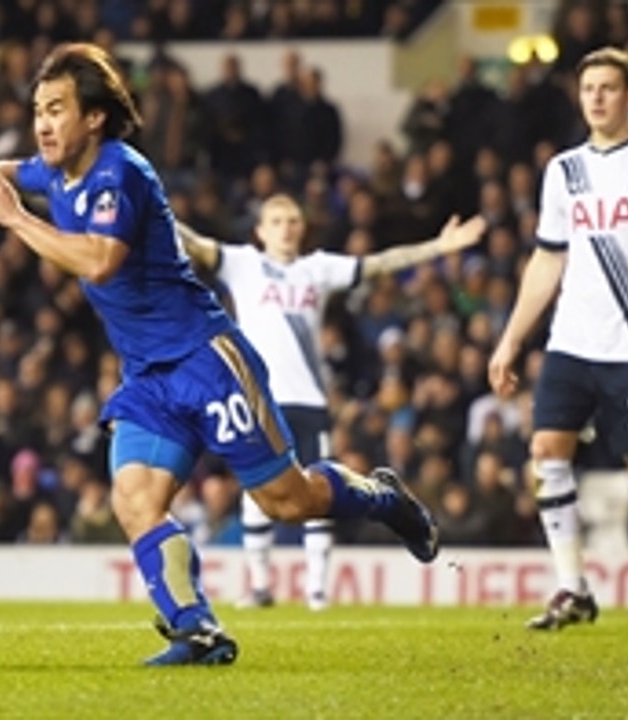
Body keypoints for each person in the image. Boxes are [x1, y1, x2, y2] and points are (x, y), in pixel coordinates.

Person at [0, 42, 439, 666]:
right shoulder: (55, 172)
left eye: (56, 109)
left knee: (285, 501)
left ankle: (382, 498)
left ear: (95, 117)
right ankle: (198, 629)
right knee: (133, 499)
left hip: (206, 358)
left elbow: (101, 261)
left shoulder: (121, 172)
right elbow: (7, 173)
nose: (43, 124)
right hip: (149, 376)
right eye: (37, 111)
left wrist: (18, 222)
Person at [177, 195, 486, 610]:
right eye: (277, 221)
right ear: (260, 230)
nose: (286, 227)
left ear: (302, 228)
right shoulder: (242, 263)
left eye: (293, 220)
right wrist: (149, 201)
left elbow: (378, 264)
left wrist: (437, 248)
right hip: (261, 399)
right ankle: (261, 585)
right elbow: (195, 243)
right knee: (256, 489)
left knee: (316, 489)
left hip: (310, 400)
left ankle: (317, 591)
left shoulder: (317, 269)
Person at [488, 47, 628, 636]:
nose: (598, 98)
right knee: (546, 455)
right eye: (589, 90)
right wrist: (510, 341)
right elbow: (546, 261)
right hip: (571, 342)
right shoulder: (564, 170)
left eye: (610, 88)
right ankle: (573, 588)